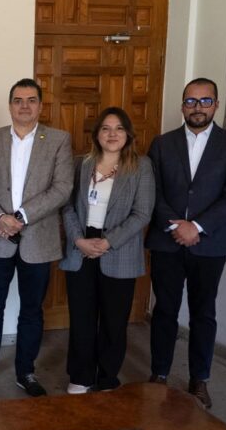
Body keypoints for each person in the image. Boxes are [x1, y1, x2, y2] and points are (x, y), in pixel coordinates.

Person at [0, 78, 73, 397]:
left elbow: (63, 188)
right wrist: (0, 218)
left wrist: (21, 217)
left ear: (40, 105)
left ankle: (26, 371)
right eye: (18, 100)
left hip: (38, 241)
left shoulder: (58, 140)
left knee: (32, 310)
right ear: (10, 105)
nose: (24, 106)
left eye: (31, 100)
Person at [146, 78, 226, 408]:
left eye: (205, 101)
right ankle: (159, 373)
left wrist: (198, 227)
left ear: (216, 105)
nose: (198, 107)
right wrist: (177, 225)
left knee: (203, 312)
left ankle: (199, 379)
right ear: (182, 105)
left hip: (210, 244)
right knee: (164, 310)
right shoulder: (162, 144)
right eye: (191, 101)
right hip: (167, 241)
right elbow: (152, 191)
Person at [59, 107, 154, 394]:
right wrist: (79, 240)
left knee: (114, 321)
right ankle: (81, 376)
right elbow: (66, 206)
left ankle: (107, 378)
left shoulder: (141, 166)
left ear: (128, 134)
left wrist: (108, 241)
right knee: (82, 318)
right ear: (97, 134)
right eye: (106, 128)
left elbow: (142, 213)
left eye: (119, 128)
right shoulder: (80, 164)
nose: (112, 134)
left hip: (118, 249)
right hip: (81, 248)